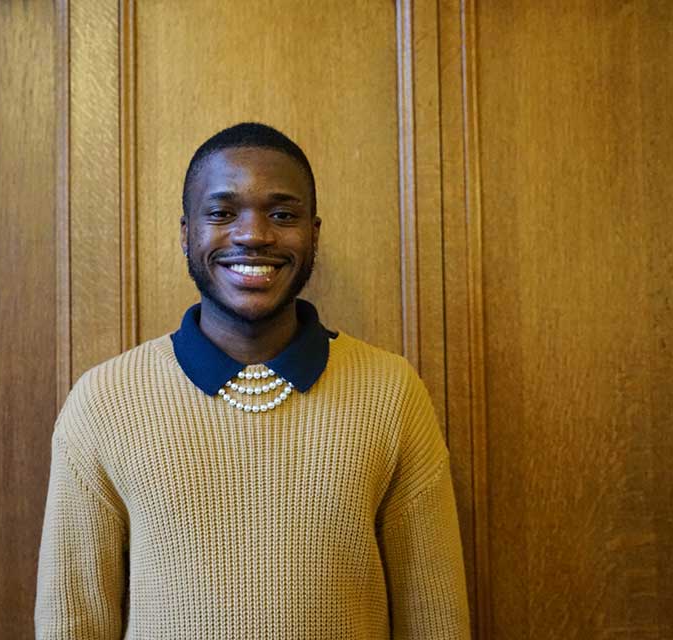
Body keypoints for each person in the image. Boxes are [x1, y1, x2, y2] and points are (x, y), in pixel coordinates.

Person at [34, 122, 471, 639]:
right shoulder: (104, 401)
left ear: (313, 234)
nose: (254, 234)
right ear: (186, 233)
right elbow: (72, 621)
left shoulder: (390, 391)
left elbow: (435, 619)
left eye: (282, 215)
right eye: (221, 213)